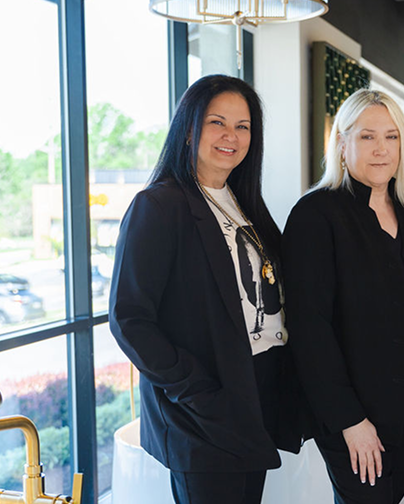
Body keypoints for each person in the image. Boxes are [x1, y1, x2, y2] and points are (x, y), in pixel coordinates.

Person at [109, 74, 300, 504]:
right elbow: (129, 318)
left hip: (257, 394)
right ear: (188, 129)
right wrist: (195, 390)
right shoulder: (159, 205)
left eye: (243, 126)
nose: (231, 136)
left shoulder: (244, 203)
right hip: (204, 406)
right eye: (218, 122)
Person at [282, 89, 404, 504]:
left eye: (391, 137)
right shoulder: (315, 214)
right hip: (354, 410)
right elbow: (308, 327)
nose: (381, 149)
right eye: (367, 136)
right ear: (342, 143)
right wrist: (349, 420)